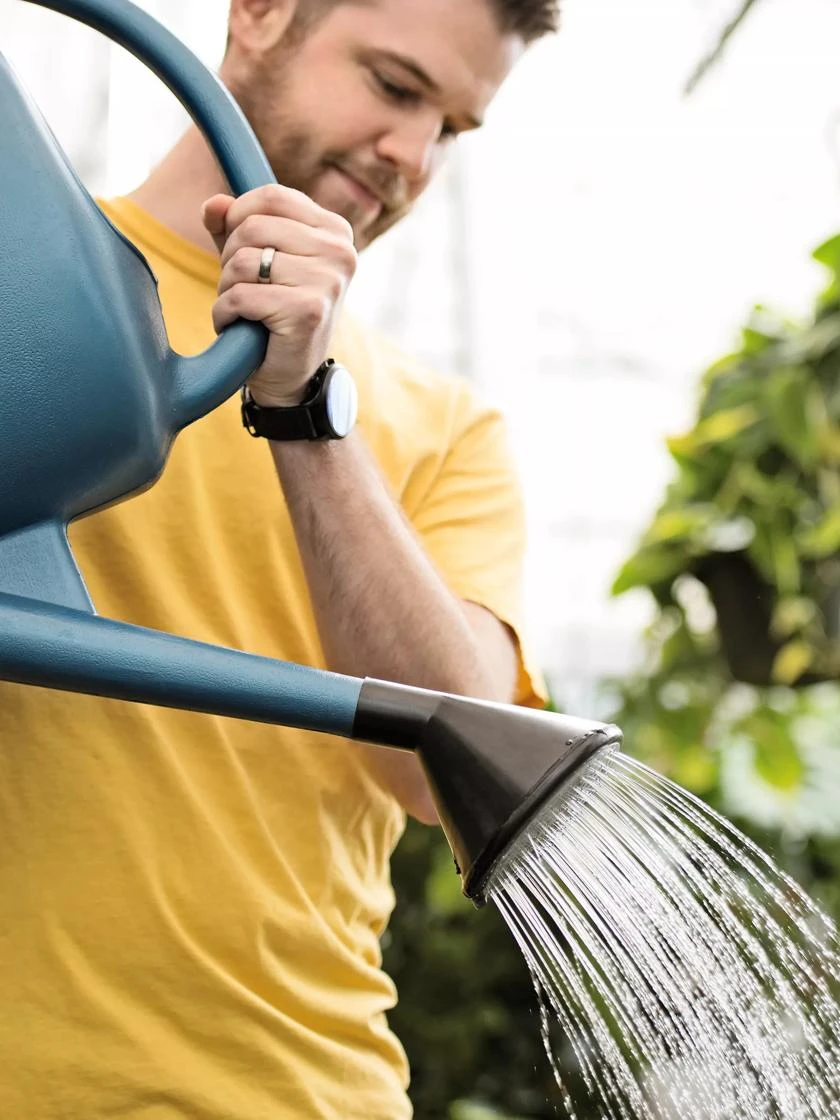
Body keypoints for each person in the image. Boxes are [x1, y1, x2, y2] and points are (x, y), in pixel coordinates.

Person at [0, 0, 556, 1115]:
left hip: (295, 1089)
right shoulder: (21, 302)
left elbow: (447, 766)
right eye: (395, 86)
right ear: (259, 13)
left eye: (452, 128)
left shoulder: (444, 429)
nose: (413, 156)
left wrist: (305, 408)